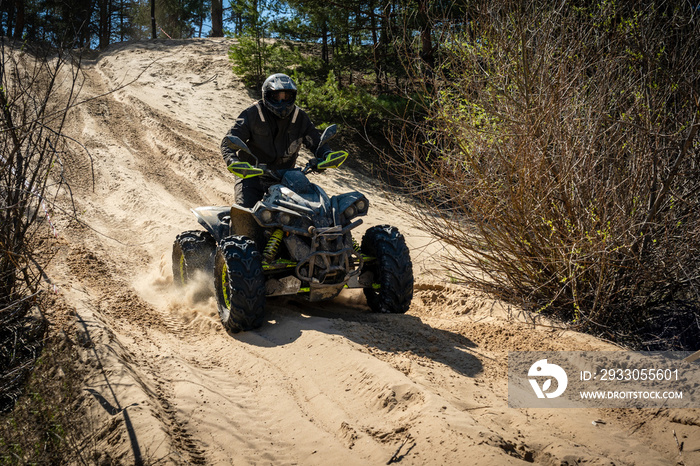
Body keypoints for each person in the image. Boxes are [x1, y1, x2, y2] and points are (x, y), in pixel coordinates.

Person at [220, 73, 331, 208]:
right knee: (245, 213)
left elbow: (316, 142)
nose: (282, 102)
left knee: (309, 209)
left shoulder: (299, 117)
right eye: (277, 96)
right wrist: (234, 162)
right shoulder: (253, 113)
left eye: (286, 97)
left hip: (286, 176)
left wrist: (326, 155)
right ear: (267, 95)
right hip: (252, 175)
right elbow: (229, 142)